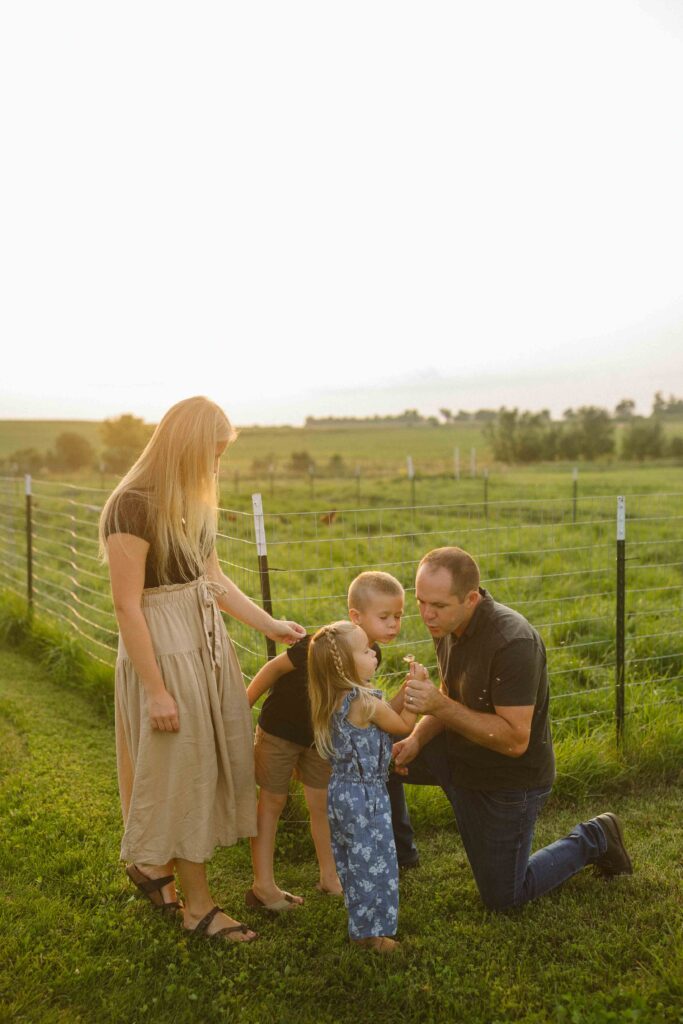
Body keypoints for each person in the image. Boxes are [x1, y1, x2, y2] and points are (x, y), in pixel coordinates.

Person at [98, 396, 305, 943]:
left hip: (203, 645)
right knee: (183, 771)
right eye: (212, 454)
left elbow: (213, 578)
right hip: (163, 652)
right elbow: (127, 606)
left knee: (204, 765)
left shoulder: (191, 502)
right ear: (185, 447)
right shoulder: (131, 506)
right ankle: (198, 907)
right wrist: (157, 690)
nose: (216, 467)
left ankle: (152, 866)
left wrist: (271, 625)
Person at [389, 546, 633, 911]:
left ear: (471, 598)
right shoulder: (447, 624)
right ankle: (401, 855)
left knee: (505, 898)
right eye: (421, 601)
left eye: (437, 605)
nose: (426, 614)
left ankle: (595, 836)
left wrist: (438, 706)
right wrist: (415, 737)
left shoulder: (512, 642)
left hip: (508, 779)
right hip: (460, 753)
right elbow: (451, 692)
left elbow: (515, 740)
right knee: (375, 748)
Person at [245, 571, 405, 911]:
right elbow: (273, 669)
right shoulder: (322, 644)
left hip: (322, 739)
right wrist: (243, 705)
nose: (393, 625)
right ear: (355, 617)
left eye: (398, 617)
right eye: (385, 617)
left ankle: (329, 877)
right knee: (271, 803)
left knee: (322, 805)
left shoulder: (369, 654)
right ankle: (264, 885)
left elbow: (369, 710)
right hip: (281, 730)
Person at [307, 620, 417, 954]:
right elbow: (401, 725)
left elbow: (383, 716)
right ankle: (373, 936)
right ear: (348, 664)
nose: (374, 655)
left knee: (355, 861)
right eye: (367, 651)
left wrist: (403, 693)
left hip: (341, 793)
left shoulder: (333, 697)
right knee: (378, 862)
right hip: (367, 797)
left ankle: (361, 925)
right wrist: (417, 694)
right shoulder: (365, 704)